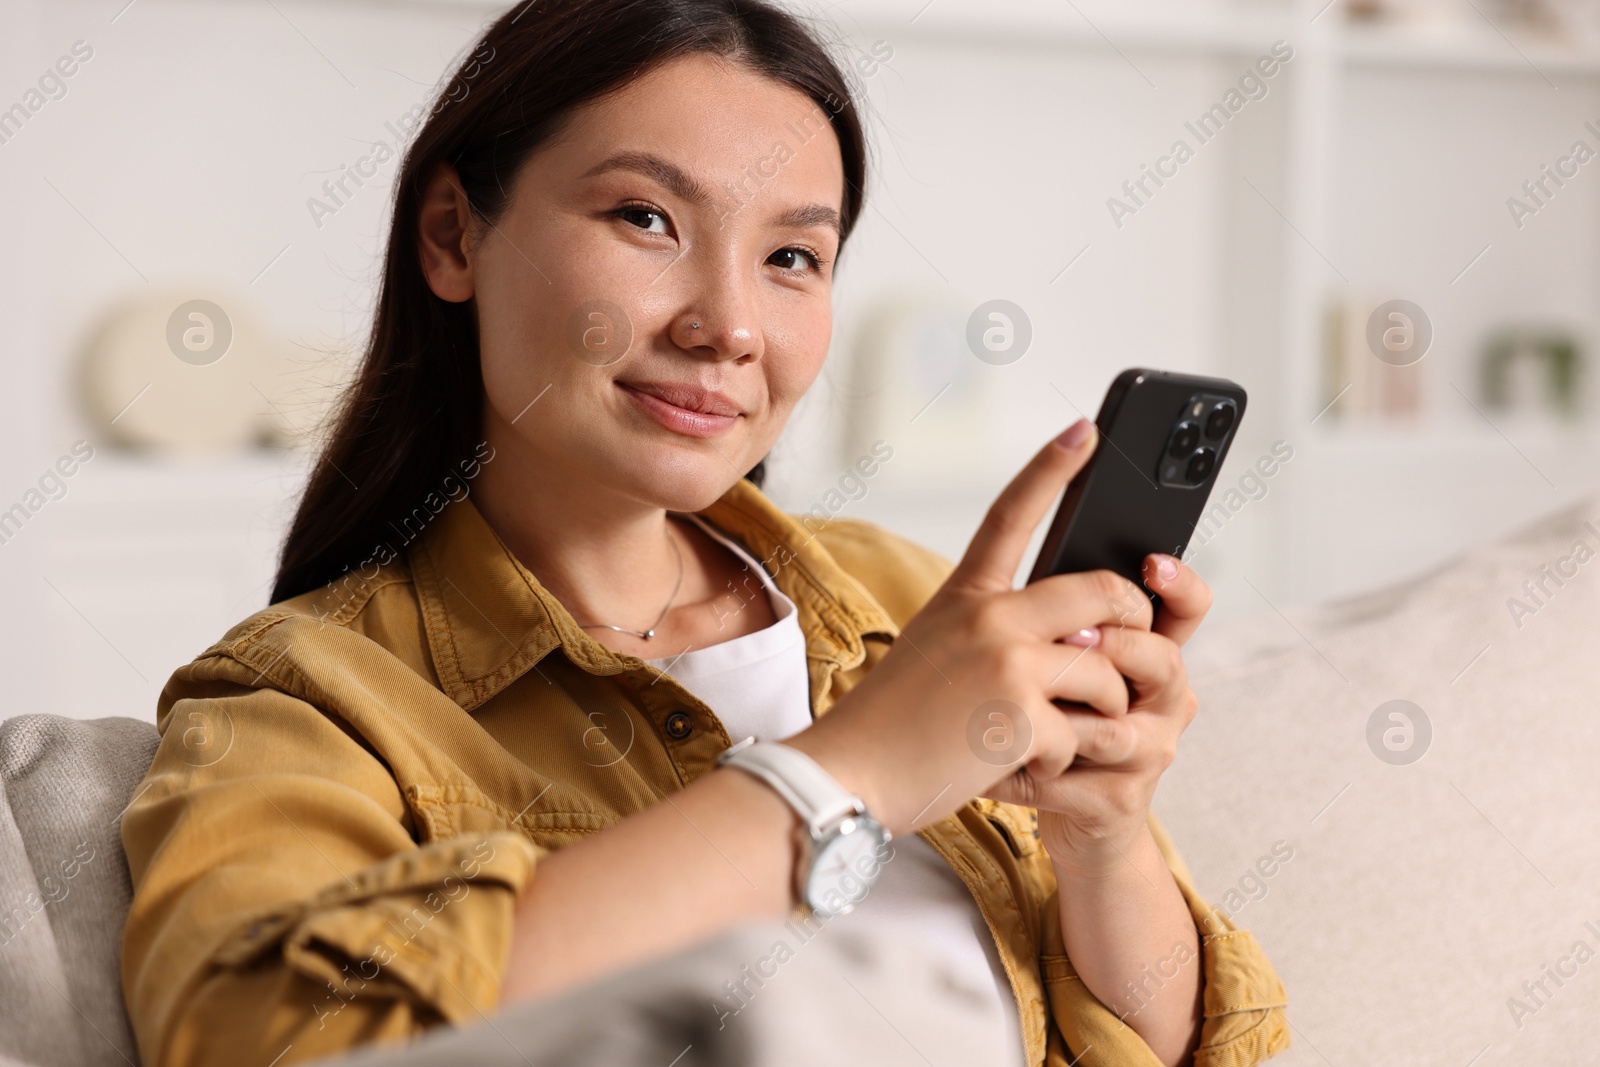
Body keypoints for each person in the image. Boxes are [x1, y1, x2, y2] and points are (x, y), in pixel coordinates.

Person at [119, 2, 1290, 1065]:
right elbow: (264, 1038)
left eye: (791, 256)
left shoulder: (905, 597)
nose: (728, 325)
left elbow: (1184, 1041)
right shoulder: (306, 701)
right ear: (453, 236)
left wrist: (1099, 832)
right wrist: (851, 771)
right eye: (645, 216)